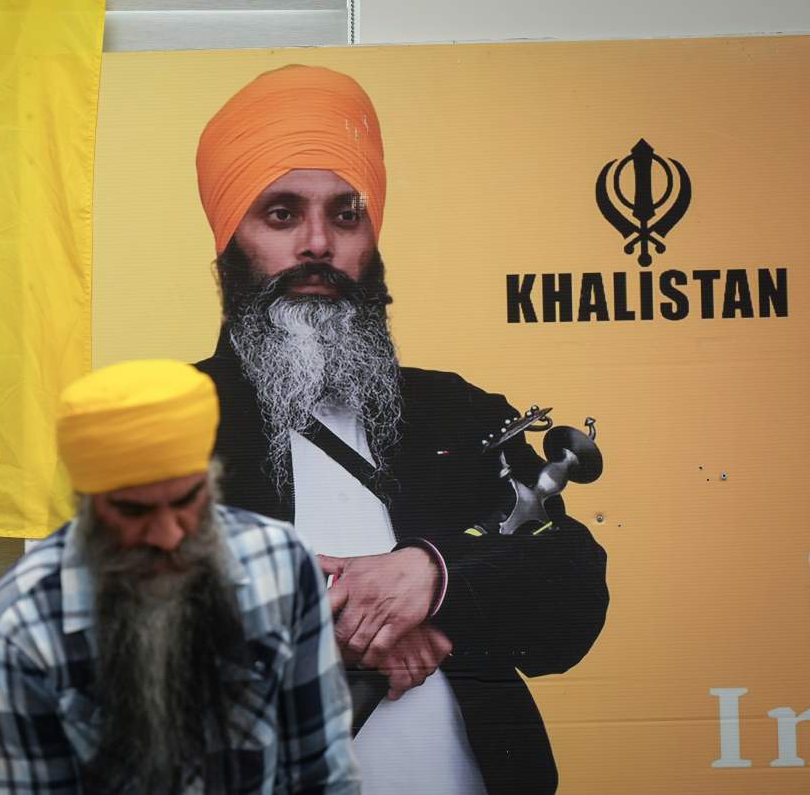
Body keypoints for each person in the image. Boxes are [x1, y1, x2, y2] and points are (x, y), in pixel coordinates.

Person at [193, 65, 609, 795]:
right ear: (232, 243)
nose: (317, 243)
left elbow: (571, 596)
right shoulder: (166, 419)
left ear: (371, 241)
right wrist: (338, 638)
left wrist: (432, 582)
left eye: (345, 214)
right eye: (282, 214)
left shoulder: (455, 409)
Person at [0, 359, 360, 794]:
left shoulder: (281, 563)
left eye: (187, 500)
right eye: (134, 512)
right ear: (87, 505)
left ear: (210, 481)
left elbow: (321, 774)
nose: (169, 536)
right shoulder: (14, 630)